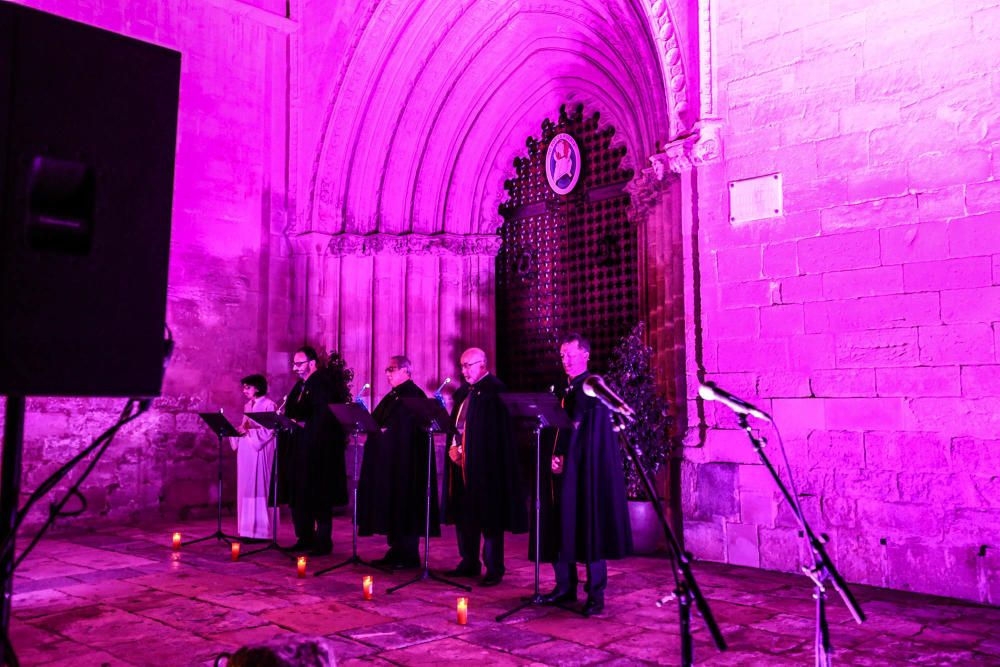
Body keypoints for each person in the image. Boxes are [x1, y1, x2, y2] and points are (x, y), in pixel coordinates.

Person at [542, 333, 632, 616]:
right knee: (560, 524)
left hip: (585, 472)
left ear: (586, 355)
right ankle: (564, 586)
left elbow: (582, 430)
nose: (565, 360)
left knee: (589, 525)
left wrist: (567, 458)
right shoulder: (566, 389)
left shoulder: (594, 387)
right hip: (563, 470)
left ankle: (596, 594)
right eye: (562, 355)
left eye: (570, 353)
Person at [442, 347, 527, 586]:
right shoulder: (463, 393)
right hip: (461, 462)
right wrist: (455, 446)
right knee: (464, 513)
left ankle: (494, 567)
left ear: (483, 364)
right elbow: (457, 425)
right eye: (462, 366)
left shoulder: (495, 391)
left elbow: (500, 434)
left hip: (486, 466)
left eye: (468, 365)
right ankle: (468, 561)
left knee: (489, 518)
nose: (464, 371)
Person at [356, 355, 437, 569]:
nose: (387, 374)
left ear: (405, 371)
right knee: (393, 506)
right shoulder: (394, 395)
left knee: (405, 506)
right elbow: (378, 421)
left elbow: (410, 431)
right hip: (390, 463)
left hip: (407, 466)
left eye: (391, 369)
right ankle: (396, 550)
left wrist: (388, 433)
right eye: (387, 369)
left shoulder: (413, 395)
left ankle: (408, 554)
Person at [282, 346, 349, 556]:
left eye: (299, 363)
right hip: (300, 448)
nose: (295, 368)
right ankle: (304, 537)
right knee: (300, 494)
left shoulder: (322, 384)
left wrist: (304, 424)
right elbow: (293, 409)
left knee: (319, 495)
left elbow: (325, 416)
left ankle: (322, 542)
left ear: (312, 363)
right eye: (293, 363)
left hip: (319, 451)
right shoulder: (301, 386)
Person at [232, 374, 277, 541]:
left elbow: (270, 430)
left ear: (257, 387)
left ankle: (260, 532)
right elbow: (247, 426)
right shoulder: (248, 406)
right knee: (246, 488)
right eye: (243, 387)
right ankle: (246, 530)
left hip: (260, 451)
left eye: (248, 387)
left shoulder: (268, 405)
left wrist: (249, 432)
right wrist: (239, 431)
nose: (244, 390)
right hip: (247, 453)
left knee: (258, 488)